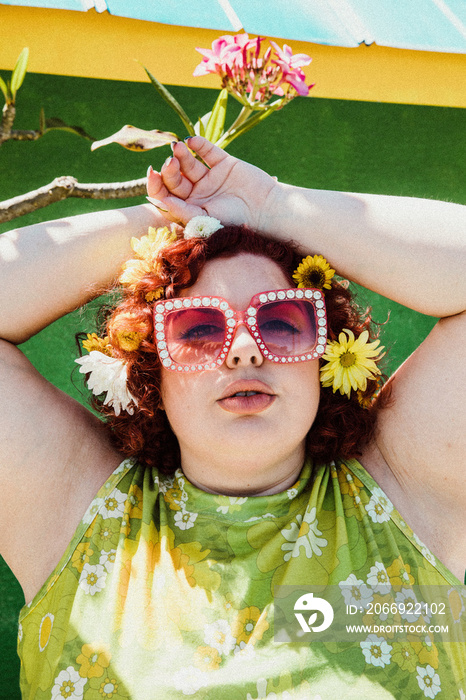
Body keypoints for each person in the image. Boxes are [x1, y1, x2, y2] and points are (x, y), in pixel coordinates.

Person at [0, 136, 464, 698]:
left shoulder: (406, 499)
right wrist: (173, 219)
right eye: (197, 329)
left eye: (280, 322)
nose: (245, 349)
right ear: (150, 371)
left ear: (323, 356)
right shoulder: (74, 510)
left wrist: (271, 205)